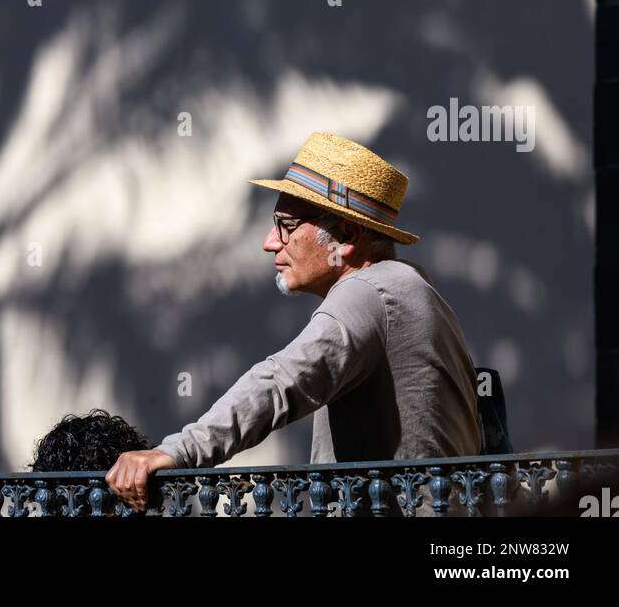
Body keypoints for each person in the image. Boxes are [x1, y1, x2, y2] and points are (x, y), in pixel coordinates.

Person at [105, 132, 482, 513]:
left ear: (346, 236)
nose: (270, 242)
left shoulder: (367, 293)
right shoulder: (407, 287)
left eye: (285, 224)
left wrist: (173, 452)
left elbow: (281, 380)